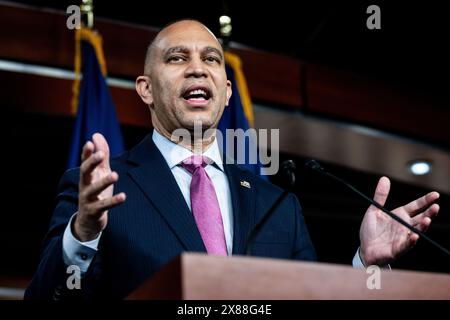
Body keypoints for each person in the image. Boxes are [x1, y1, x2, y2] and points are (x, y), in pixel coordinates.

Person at [25, 20, 440, 300]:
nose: (197, 70)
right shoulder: (101, 192)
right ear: (146, 89)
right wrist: (82, 233)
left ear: (225, 92)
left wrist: (365, 265)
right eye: (177, 58)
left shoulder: (279, 205)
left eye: (210, 59)